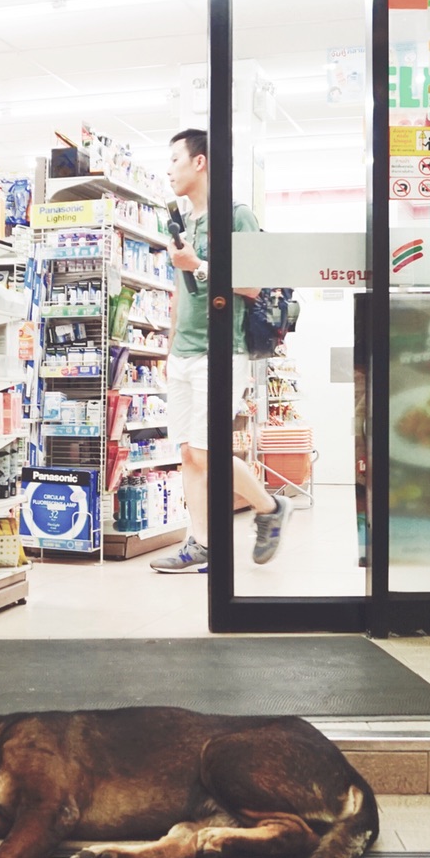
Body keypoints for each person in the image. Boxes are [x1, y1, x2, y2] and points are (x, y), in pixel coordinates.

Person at [151, 128, 291, 573]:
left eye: (175, 159)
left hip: (221, 350)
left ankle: (269, 507)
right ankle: (202, 543)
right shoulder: (183, 222)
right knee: (188, 454)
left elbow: (253, 285)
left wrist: (199, 265)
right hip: (183, 354)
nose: (169, 168)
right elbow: (179, 290)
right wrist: (169, 349)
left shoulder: (237, 215)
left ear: (200, 162)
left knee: (208, 451)